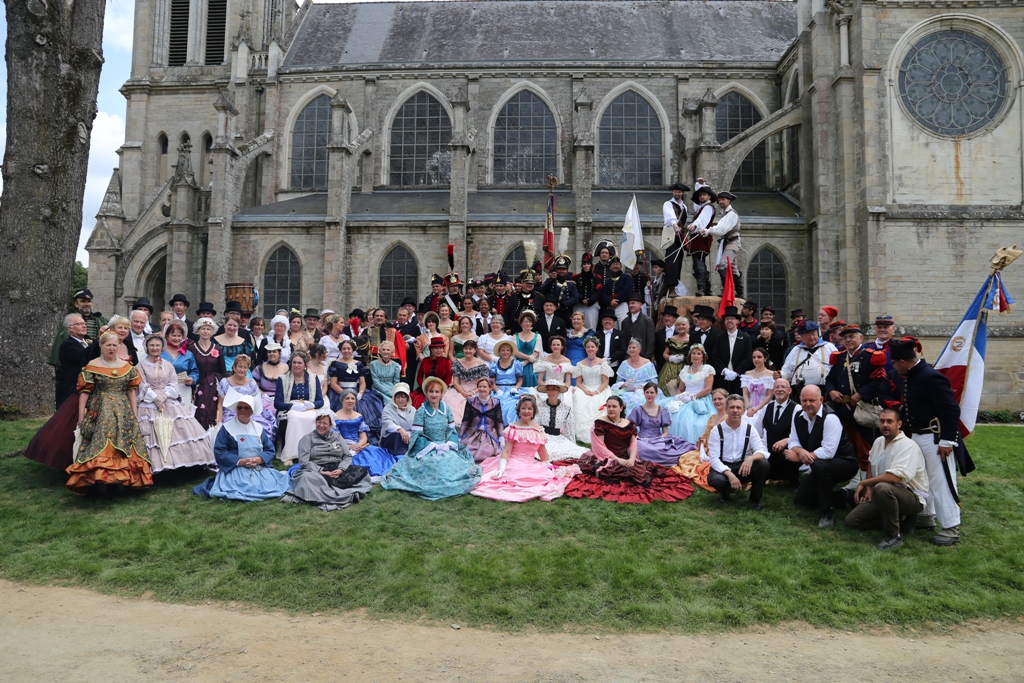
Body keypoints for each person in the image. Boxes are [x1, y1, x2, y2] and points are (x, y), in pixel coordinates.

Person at [883, 337, 963, 546]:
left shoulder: (930, 377)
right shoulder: (912, 375)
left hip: (935, 437)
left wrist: (947, 441)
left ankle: (951, 527)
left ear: (902, 362)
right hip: (918, 435)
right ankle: (927, 516)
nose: (893, 367)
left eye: (894, 363)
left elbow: (950, 409)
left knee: (941, 481)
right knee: (920, 478)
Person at [63, 331, 152, 494]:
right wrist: (81, 415)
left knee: (125, 440)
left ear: (119, 346)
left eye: (114, 345)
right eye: (108, 345)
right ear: (101, 346)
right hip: (101, 410)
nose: (111, 348)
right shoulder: (92, 366)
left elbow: (131, 390)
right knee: (102, 442)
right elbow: (85, 392)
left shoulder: (127, 366)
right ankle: (101, 481)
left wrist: (134, 412)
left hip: (123, 410)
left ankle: (123, 480)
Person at [564, 396, 694, 504]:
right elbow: (600, 447)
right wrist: (618, 460)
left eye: (614, 406)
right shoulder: (600, 423)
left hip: (626, 457)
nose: (611, 409)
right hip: (607, 459)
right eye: (608, 406)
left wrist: (632, 459)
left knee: (640, 474)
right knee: (616, 473)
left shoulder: (629, 424)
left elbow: (633, 445)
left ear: (621, 408)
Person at [380, 376, 482, 499]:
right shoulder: (421, 411)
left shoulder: (447, 409)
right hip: (428, 448)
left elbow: (452, 431)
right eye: (431, 391)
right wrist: (433, 446)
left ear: (441, 393)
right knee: (433, 465)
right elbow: (416, 435)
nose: (434, 395)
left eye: (437, 391)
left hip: (446, 446)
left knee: (455, 464)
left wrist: (448, 444)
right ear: (426, 393)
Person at [844, 408, 929, 550]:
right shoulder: (878, 441)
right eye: (882, 421)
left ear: (899, 424)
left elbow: (894, 477)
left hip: (912, 497)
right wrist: (869, 488)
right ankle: (898, 518)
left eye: (890, 421)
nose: (885, 425)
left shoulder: (907, 445)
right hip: (884, 494)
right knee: (852, 521)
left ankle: (894, 535)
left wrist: (865, 482)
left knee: (882, 487)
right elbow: (871, 463)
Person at [470, 394, 579, 502]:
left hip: (530, 462)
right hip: (513, 461)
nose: (526, 411)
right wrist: (501, 469)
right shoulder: (513, 428)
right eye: (523, 408)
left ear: (533, 412)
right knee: (514, 475)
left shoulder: (538, 430)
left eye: (529, 409)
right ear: (519, 411)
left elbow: (542, 451)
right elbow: (507, 451)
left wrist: (548, 465)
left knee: (543, 476)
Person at [135, 334, 215, 473]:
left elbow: (173, 382)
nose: (155, 348)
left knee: (179, 430)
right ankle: (158, 464)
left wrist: (165, 395)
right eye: (152, 345)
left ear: (162, 347)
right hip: (150, 401)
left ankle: (182, 464)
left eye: (157, 345)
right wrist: (155, 398)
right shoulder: (140, 365)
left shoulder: (167, 365)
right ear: (147, 347)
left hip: (167, 400)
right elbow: (141, 384)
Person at [193, 393, 290, 501]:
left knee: (267, 485)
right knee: (247, 486)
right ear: (236, 409)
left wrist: (259, 459)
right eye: (240, 407)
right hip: (236, 469)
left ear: (252, 410)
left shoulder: (258, 428)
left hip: (257, 467)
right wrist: (241, 461)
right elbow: (220, 451)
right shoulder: (227, 428)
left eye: (246, 408)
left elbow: (269, 449)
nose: (242, 410)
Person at [786, 385, 858, 528]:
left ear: (821, 399)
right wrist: (801, 451)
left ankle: (827, 512)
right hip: (820, 464)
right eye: (804, 400)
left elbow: (828, 452)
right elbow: (793, 440)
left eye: (812, 400)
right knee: (802, 500)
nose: (807, 404)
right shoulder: (798, 415)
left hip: (845, 463)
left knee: (819, 465)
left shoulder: (830, 418)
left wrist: (800, 458)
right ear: (800, 399)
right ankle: (845, 496)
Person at [824, 323, 890, 471]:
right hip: (842, 409)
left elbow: (880, 381)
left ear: (861, 338)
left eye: (852, 336)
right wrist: (832, 391)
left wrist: (861, 394)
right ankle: (853, 476)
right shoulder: (840, 357)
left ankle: (868, 477)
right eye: (845, 337)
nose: (848, 340)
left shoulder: (870, 356)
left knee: (865, 448)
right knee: (848, 446)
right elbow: (830, 379)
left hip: (862, 408)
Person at [280, 408, 373, 511]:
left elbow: (347, 455)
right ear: (315, 422)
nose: (321, 425)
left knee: (362, 471)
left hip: (336, 468)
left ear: (330, 425)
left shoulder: (337, 437)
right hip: (315, 470)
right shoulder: (307, 439)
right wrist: (323, 472)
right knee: (306, 478)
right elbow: (304, 462)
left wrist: (341, 469)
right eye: (319, 422)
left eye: (325, 423)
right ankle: (339, 496)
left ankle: (333, 492)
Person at [707, 394, 770, 508]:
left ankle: (755, 500)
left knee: (764, 464)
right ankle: (725, 494)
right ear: (726, 410)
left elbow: (763, 451)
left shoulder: (750, 429)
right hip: (723, 467)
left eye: (738, 407)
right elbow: (713, 459)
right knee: (716, 480)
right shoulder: (716, 431)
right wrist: (729, 474)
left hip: (743, 467)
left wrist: (751, 458)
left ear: (744, 411)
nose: (735, 411)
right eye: (732, 407)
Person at [671, 388, 730, 492]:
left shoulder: (728, 418)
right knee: (685, 458)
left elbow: (727, 441)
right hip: (707, 450)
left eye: (720, 399)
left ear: (727, 399)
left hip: (721, 452)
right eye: (714, 399)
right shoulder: (713, 417)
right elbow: (705, 436)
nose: (717, 401)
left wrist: (712, 453)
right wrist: (702, 450)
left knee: (703, 467)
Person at [333, 389, 399, 478]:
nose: (350, 401)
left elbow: (363, 437)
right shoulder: (336, 417)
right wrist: (350, 446)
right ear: (342, 400)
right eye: (347, 398)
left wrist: (359, 445)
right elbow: (335, 438)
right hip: (343, 446)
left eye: (352, 398)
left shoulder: (358, 416)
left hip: (359, 446)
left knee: (376, 459)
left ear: (355, 401)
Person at [275, 351, 325, 465]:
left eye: (299, 363)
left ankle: (311, 452)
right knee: (295, 418)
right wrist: (292, 406)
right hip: (291, 408)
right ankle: (291, 454)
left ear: (305, 364)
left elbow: (320, 400)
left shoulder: (313, 378)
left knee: (312, 417)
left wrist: (312, 405)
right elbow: (277, 403)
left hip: (308, 408)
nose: (296, 365)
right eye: (294, 362)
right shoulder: (283, 379)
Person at [629, 382, 694, 467]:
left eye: (652, 392)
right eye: (647, 392)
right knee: (641, 448)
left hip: (659, 439)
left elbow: (665, 432)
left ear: (656, 394)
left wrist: (657, 439)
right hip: (643, 440)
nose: (649, 395)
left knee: (674, 449)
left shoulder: (662, 411)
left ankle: (662, 458)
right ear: (644, 393)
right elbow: (632, 429)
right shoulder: (638, 410)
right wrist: (641, 439)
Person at [216, 353, 277, 440]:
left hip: (249, 413)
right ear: (234, 367)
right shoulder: (225, 382)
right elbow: (220, 405)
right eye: (240, 367)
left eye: (245, 367)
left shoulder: (251, 383)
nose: (242, 370)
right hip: (231, 414)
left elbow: (256, 403)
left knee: (262, 427)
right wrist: (219, 421)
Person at [328, 340, 382, 438]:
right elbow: (333, 383)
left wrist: (360, 393)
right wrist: (345, 394)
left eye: (348, 348)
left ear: (352, 350)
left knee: (365, 406)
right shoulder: (335, 364)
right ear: (340, 350)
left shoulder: (359, 364)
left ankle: (362, 435)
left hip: (355, 390)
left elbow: (362, 382)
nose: (346, 351)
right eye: (344, 349)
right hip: (340, 391)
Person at [752, 378, 800, 486]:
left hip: (788, 452)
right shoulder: (766, 408)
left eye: (783, 387)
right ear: (773, 391)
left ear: (789, 390)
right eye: (777, 387)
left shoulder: (797, 409)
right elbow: (756, 431)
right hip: (769, 451)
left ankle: (791, 481)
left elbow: (801, 434)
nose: (780, 389)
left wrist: (787, 440)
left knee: (786, 456)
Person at [666, 344, 716, 444]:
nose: (696, 356)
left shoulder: (707, 369)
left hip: (700, 399)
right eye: (693, 353)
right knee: (672, 417)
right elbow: (680, 389)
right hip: (685, 398)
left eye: (699, 353)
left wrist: (692, 398)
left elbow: (708, 389)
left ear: (703, 357)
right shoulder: (685, 370)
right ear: (690, 356)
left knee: (695, 423)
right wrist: (678, 396)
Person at [47, 288, 108, 370]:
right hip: (76, 362)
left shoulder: (102, 321)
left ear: (92, 303)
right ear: (76, 304)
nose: (86, 304)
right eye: (83, 301)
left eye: (88, 301)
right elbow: (61, 343)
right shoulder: (68, 322)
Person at [571, 337, 614, 446]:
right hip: (585, 388)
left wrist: (597, 392)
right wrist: (585, 391)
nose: (590, 349)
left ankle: (601, 431)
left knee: (599, 402)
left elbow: (605, 381)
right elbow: (578, 382)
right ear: (585, 349)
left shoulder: (602, 363)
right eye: (588, 347)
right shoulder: (580, 364)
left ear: (596, 348)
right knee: (579, 398)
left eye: (592, 347)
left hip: (599, 388)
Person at [780, 320, 837, 396]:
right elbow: (786, 370)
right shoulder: (795, 350)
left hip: (824, 390)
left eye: (814, 334)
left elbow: (837, 368)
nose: (812, 337)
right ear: (801, 336)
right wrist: (780, 375)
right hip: (799, 390)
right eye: (808, 335)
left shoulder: (829, 347)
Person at [188, 318, 226, 429]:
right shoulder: (191, 348)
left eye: (208, 329)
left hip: (213, 385)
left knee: (212, 411)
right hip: (197, 384)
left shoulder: (218, 349)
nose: (205, 331)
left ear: (212, 331)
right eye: (203, 329)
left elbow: (222, 370)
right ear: (198, 330)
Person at [535, 379, 587, 459]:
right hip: (543, 437)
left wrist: (571, 444)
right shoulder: (540, 407)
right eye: (548, 389)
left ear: (558, 391)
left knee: (570, 452)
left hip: (558, 438)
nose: (551, 392)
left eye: (553, 389)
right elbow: (535, 426)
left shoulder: (566, 409)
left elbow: (569, 430)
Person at [443, 338, 490, 424]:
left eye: (470, 349)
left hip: (476, 389)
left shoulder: (481, 364)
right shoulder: (457, 363)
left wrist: (472, 392)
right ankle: (453, 423)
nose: (468, 351)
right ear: (463, 350)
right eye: (466, 348)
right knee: (449, 398)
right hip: (460, 389)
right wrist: (463, 393)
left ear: (475, 350)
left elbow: (483, 383)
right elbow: (456, 382)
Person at [460, 377, 505, 463]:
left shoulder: (496, 402)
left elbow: (499, 422)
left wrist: (501, 437)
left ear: (490, 388)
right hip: (473, 433)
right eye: (480, 386)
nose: (482, 389)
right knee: (467, 449)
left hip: (490, 434)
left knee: (489, 451)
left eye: (485, 387)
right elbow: (465, 421)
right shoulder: (471, 401)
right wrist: (460, 437)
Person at [707, 190, 743, 296]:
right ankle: (739, 293)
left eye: (723, 199)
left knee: (723, 265)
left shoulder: (731, 214)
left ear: (729, 201)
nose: (720, 202)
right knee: (733, 269)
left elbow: (721, 229)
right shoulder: (725, 213)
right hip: (727, 243)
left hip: (733, 243)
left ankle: (728, 290)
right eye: (719, 200)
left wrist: (708, 231)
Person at [684, 181, 716, 296]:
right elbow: (697, 207)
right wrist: (698, 184)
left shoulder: (708, 207)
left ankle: (702, 288)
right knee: (698, 263)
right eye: (700, 195)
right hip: (697, 239)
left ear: (709, 196)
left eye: (704, 195)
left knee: (699, 263)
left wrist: (694, 225)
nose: (701, 196)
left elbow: (702, 220)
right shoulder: (702, 207)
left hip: (702, 238)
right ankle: (707, 289)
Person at [54, 313, 92, 409]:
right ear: (70, 328)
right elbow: (84, 356)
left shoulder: (88, 341)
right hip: (74, 388)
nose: (84, 326)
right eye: (79, 324)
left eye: (84, 323)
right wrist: (100, 340)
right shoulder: (67, 345)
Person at [712, 306, 753, 393]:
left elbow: (748, 358)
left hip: (739, 378)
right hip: (722, 377)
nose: (729, 321)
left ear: (737, 321)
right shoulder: (719, 337)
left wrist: (736, 373)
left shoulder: (746, 338)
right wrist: (724, 370)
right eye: (727, 319)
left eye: (732, 318)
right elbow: (715, 356)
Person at [612, 339, 658, 415]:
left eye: (634, 347)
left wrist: (641, 387)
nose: (631, 349)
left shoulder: (647, 364)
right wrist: (625, 384)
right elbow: (618, 381)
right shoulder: (624, 364)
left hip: (644, 391)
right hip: (627, 391)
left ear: (639, 349)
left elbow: (654, 382)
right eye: (629, 348)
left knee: (640, 400)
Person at [161, 320, 198, 411]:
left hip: (183, 389)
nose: (176, 338)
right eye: (174, 335)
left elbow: (194, 371)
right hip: (163, 389)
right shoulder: (159, 352)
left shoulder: (188, 354)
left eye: (179, 336)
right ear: (167, 336)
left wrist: (191, 379)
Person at [661, 181, 690, 291]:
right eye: (675, 192)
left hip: (680, 236)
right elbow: (670, 216)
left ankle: (676, 284)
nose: (677, 194)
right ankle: (670, 286)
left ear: (682, 193)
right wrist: (675, 225)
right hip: (671, 234)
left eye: (679, 192)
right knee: (671, 260)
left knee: (678, 261)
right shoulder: (668, 204)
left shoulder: (684, 207)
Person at [489, 339, 524, 425]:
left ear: (511, 352)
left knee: (514, 405)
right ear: (499, 352)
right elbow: (491, 381)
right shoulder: (494, 365)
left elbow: (520, 380)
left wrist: (515, 388)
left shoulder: (516, 364)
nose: (505, 352)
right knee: (498, 404)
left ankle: (512, 426)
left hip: (512, 390)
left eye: (507, 350)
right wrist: (497, 390)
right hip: (498, 390)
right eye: (503, 350)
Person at [412, 337, 453, 407]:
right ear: (431, 349)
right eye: (436, 348)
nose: (439, 350)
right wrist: (424, 388)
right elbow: (419, 377)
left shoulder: (447, 362)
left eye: (441, 348)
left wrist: (441, 390)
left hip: (442, 389)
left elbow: (448, 379)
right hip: (426, 388)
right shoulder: (425, 361)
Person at [380, 383, 417, 457]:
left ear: (407, 398)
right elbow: (387, 423)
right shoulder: (388, 408)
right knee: (398, 436)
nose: (400, 400)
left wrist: (410, 435)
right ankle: (399, 456)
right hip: (392, 439)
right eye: (398, 397)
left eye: (403, 397)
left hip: (409, 439)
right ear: (394, 398)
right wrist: (400, 430)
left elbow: (417, 425)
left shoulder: (413, 410)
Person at [658, 317, 691, 393]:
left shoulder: (691, 339)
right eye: (678, 325)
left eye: (683, 324)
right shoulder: (672, 339)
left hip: (685, 367)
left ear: (688, 326)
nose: (681, 327)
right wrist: (670, 358)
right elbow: (665, 354)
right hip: (669, 367)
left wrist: (685, 357)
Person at [619, 292, 655, 360]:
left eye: (633, 303)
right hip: (627, 357)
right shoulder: (625, 322)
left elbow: (651, 341)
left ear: (640, 305)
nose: (630, 305)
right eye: (629, 303)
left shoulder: (647, 321)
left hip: (642, 356)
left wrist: (647, 358)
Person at [572, 251, 602, 331]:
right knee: (577, 326)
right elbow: (574, 290)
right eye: (584, 264)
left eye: (588, 264)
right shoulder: (576, 278)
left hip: (592, 305)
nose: (586, 266)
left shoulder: (596, 278)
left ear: (591, 265)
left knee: (591, 327)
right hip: (579, 304)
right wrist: (581, 299)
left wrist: (590, 300)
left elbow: (598, 291)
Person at [741, 348, 775, 416]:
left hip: (765, 406)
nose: (756, 359)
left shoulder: (771, 374)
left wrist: (756, 409)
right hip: (749, 406)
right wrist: (749, 407)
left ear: (765, 359)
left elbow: (769, 395)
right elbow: (745, 394)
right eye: (754, 357)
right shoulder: (747, 374)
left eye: (759, 357)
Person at [599, 256, 633, 323]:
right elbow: (604, 294)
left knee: (623, 324)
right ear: (610, 267)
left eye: (617, 264)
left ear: (621, 267)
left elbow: (626, 291)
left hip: (622, 305)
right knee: (611, 325)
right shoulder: (608, 280)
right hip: (610, 306)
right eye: (613, 264)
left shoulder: (626, 277)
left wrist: (617, 301)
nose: (615, 266)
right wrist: (610, 301)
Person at [689, 305, 723, 369]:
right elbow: (689, 351)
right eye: (699, 319)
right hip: (696, 368)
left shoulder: (718, 335)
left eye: (703, 319)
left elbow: (719, 354)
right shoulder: (693, 334)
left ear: (710, 322)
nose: (700, 322)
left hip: (712, 368)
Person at [514, 310, 541, 388]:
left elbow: (536, 352)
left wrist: (526, 361)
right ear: (521, 323)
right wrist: (527, 359)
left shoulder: (537, 336)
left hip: (533, 364)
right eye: (526, 322)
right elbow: (515, 352)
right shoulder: (515, 336)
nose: (528, 324)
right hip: (519, 365)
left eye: (530, 322)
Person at [654, 305, 680, 372]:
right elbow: (656, 351)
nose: (666, 318)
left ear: (674, 318)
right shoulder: (658, 333)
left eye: (669, 316)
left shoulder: (679, 332)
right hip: (662, 366)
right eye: (665, 316)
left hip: (677, 366)